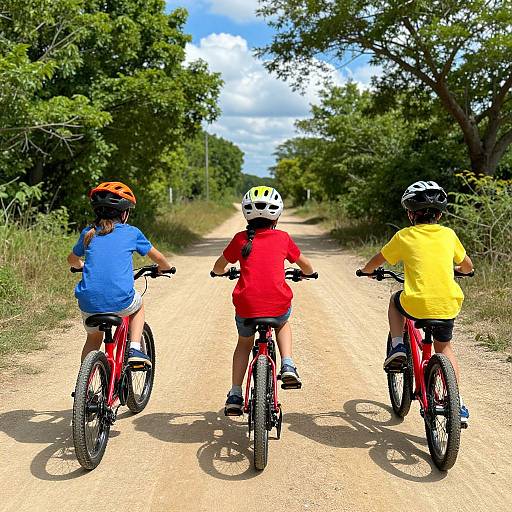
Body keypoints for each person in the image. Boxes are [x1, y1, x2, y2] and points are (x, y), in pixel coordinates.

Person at [360, 180, 474, 424]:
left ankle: (399, 345)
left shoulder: (404, 236)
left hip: (414, 303)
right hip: (448, 304)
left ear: (411, 214)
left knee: (394, 300)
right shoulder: (449, 235)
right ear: (440, 214)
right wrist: (457, 269)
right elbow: (468, 266)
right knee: (444, 348)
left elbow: (377, 260)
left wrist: (367, 271)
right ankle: (457, 403)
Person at [212, 186, 315, 416]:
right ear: (277, 215)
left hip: (247, 307)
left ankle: (236, 393)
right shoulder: (283, 238)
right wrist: (306, 273)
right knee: (283, 322)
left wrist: (220, 272)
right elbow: (307, 266)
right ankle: (287, 362)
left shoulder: (240, 239)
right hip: (277, 305)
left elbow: (219, 266)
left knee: (243, 344)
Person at [67, 181, 173, 365]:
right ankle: (135, 348)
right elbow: (159, 258)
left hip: (88, 302)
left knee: (93, 339)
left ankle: (86, 385)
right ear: (124, 213)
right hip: (121, 301)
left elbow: (71, 260)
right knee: (138, 306)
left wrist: (80, 264)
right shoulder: (132, 232)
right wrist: (165, 268)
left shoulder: (88, 232)